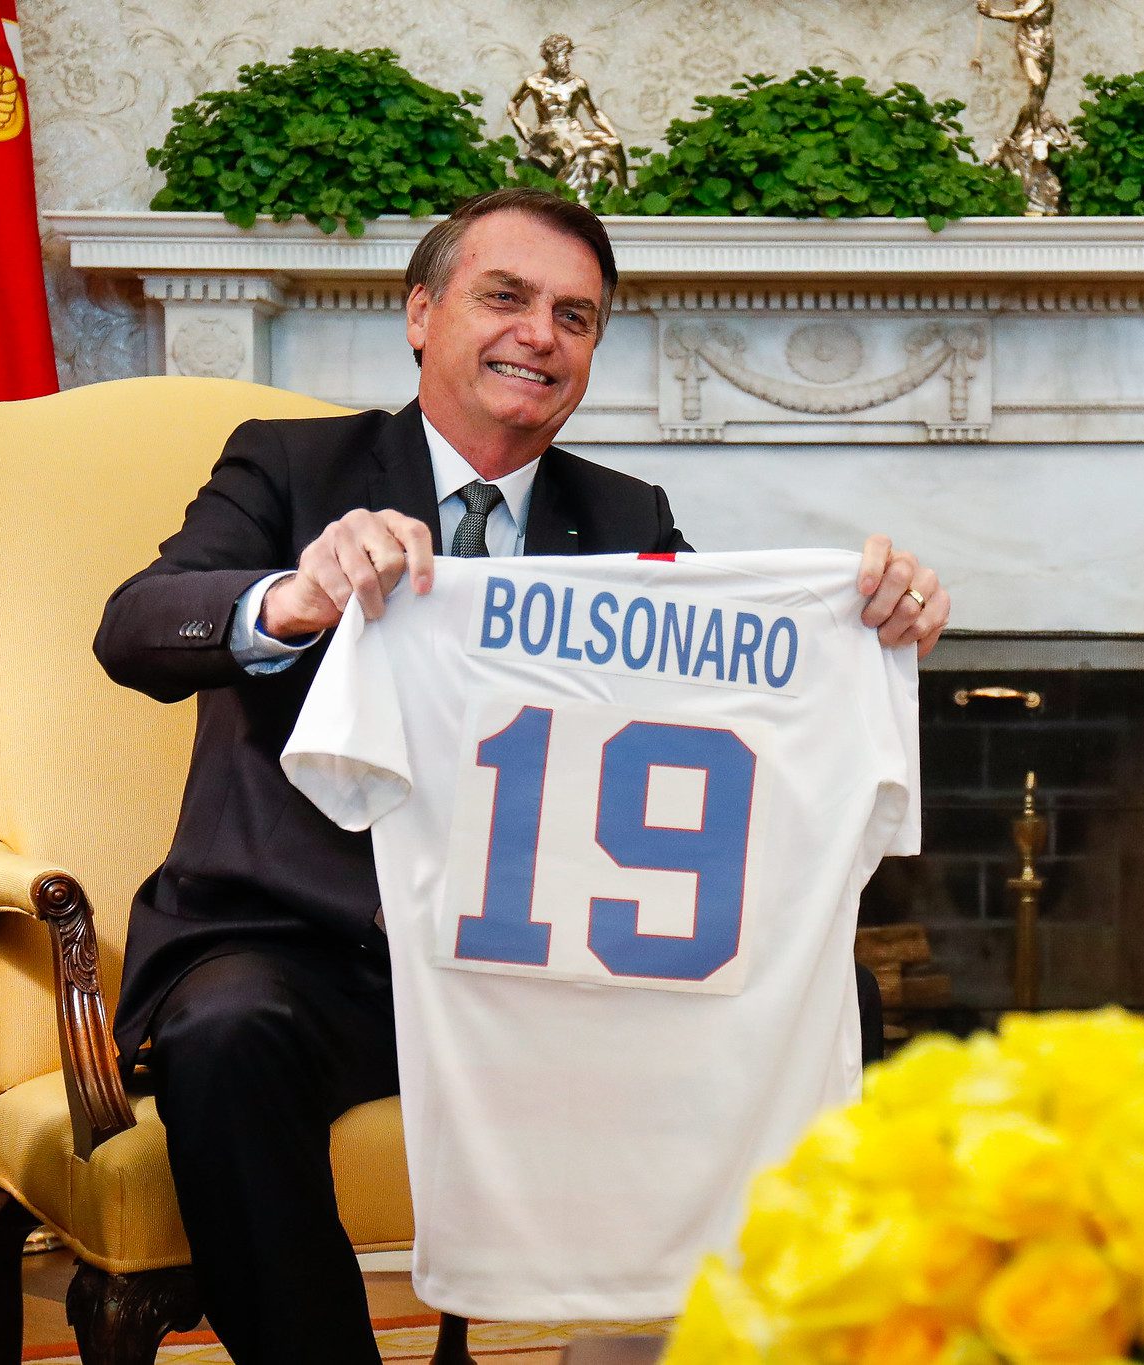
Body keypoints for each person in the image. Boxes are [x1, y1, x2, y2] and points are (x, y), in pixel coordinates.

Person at [93, 187, 950, 1364]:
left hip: (541, 958)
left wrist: (866, 621)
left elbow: (733, 705)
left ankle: (715, 1340)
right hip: (306, 948)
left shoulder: (628, 515)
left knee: (822, 991)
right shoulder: (295, 468)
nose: (539, 334)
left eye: (576, 317)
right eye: (505, 297)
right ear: (420, 314)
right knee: (227, 1034)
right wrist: (297, 593)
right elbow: (136, 628)